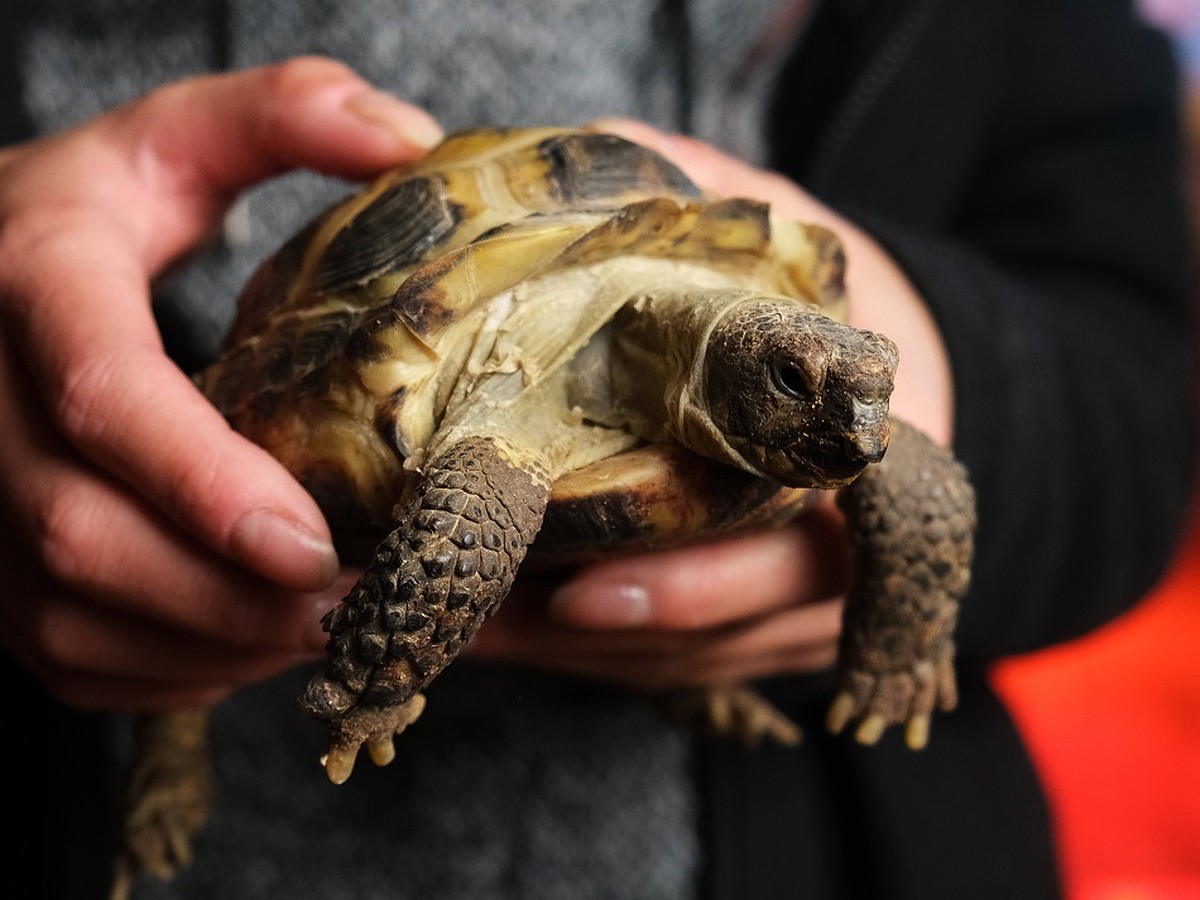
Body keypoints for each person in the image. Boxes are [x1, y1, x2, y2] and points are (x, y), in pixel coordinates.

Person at [0, 1, 1192, 898]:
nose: (848, 422)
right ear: (734, 367)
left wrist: (912, 597)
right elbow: (461, 503)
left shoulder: (824, 382)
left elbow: (1128, 391)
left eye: (858, 390)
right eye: (804, 385)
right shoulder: (501, 449)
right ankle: (174, 746)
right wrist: (378, 674)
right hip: (122, 748)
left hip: (828, 850)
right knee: (221, 587)